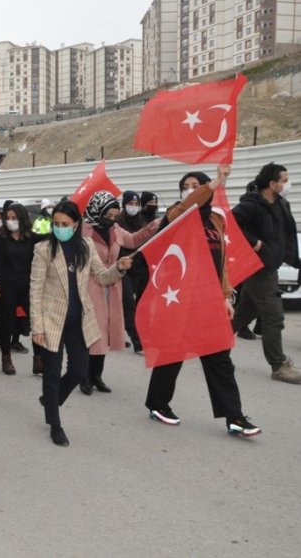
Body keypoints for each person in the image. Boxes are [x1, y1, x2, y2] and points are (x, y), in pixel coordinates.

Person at [145, 165, 261, 436]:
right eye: (185, 187)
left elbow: (221, 264)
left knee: (219, 358)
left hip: (208, 300)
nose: (189, 190)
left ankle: (235, 417)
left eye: (195, 185)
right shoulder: (176, 214)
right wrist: (216, 182)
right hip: (180, 298)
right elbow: (187, 207)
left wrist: (226, 296)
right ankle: (158, 404)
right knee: (172, 352)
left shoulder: (217, 221)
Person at [30, 200, 132, 446]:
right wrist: (37, 327)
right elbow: (35, 289)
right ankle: (55, 423)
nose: (60, 228)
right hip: (52, 319)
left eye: (65, 224)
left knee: (78, 369)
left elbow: (102, 276)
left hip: (79, 319)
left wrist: (119, 267)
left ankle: (51, 400)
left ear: (76, 225)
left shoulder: (86, 246)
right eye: (56, 224)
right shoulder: (43, 249)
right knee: (52, 374)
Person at [79, 190, 158, 396]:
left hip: (112, 285)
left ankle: (97, 375)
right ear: (99, 211)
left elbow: (132, 240)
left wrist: (151, 228)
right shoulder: (82, 229)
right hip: (91, 286)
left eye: (115, 215)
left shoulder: (115, 229)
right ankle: (84, 376)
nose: (112, 220)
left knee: (106, 333)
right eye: (108, 215)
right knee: (92, 332)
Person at [231, 162, 300, 384]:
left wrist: (293, 259)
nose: (288, 184)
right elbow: (230, 223)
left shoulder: (281, 204)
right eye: (284, 180)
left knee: (244, 313)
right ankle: (279, 365)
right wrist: (255, 243)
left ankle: (209, 342)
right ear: (272, 183)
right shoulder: (251, 205)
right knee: (274, 316)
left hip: (271, 265)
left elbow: (286, 234)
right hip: (257, 267)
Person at [0, 202, 42, 376]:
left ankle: (39, 359)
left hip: (28, 286)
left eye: (14, 218)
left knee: (36, 320)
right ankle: (6, 358)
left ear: (22, 219)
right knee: (6, 322)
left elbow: (50, 240)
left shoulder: (32, 238)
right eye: (7, 218)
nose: (10, 221)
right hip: (7, 286)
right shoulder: (0, 239)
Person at [116, 190, 155, 353]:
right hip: (124, 269)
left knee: (142, 305)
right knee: (128, 304)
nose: (133, 207)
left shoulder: (142, 223)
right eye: (130, 204)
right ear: (124, 205)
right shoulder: (117, 224)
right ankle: (137, 340)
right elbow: (127, 242)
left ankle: (142, 336)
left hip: (141, 267)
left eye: (136, 204)